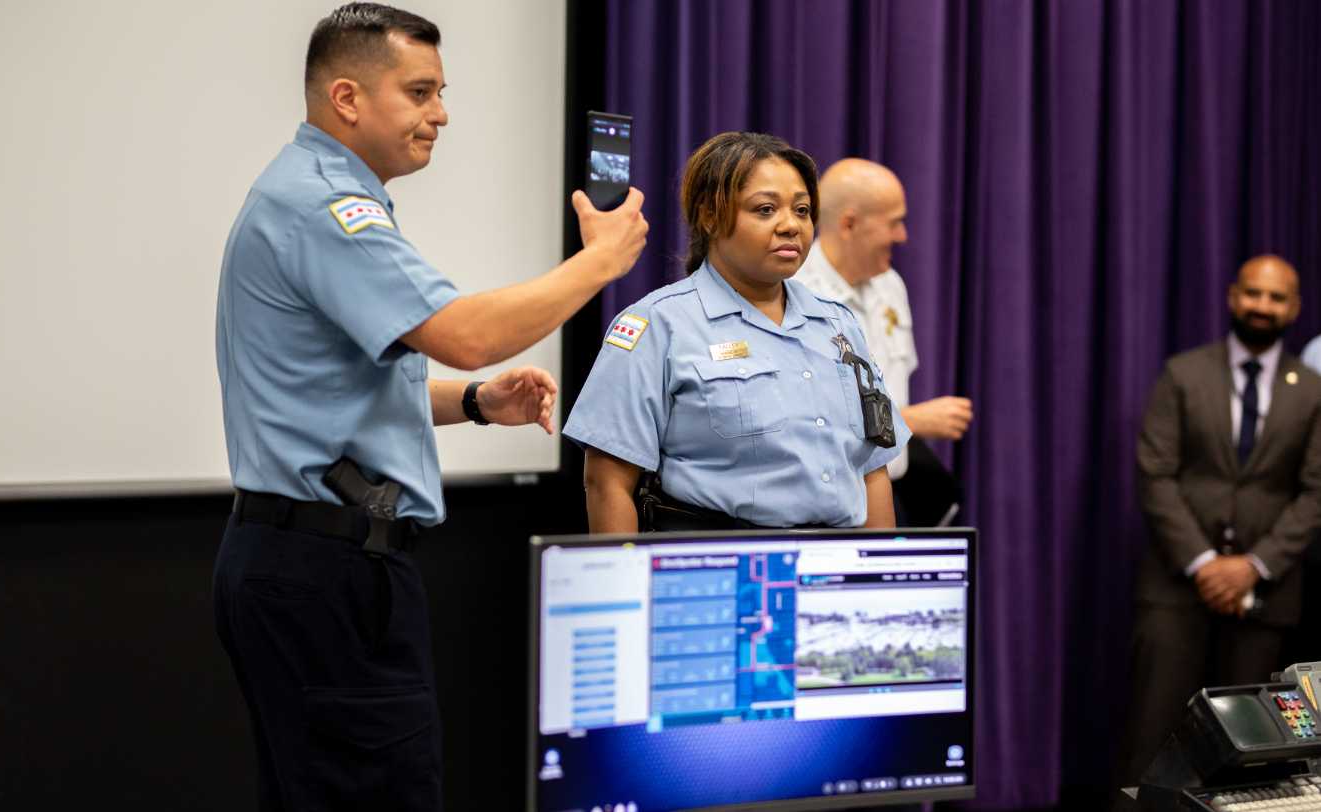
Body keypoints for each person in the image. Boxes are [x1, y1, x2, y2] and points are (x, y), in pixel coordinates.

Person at [211, 5, 648, 810]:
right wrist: (599, 262)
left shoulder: (323, 193)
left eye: (440, 92)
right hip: (326, 567)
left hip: (309, 558)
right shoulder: (325, 208)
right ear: (346, 98)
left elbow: (343, 387)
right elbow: (466, 335)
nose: (441, 114)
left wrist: (480, 404)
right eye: (419, 92)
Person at [565, 132, 910, 533]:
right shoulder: (657, 324)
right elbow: (607, 483)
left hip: (833, 568)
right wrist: (624, 587)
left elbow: (872, 470)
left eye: (802, 210)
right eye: (765, 209)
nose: (790, 225)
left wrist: (877, 575)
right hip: (719, 567)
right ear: (710, 217)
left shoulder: (839, 324)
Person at [1116, 254, 1321, 785]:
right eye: (1253, 293)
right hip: (1176, 589)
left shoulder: (1314, 388)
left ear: (1294, 307)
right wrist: (1207, 564)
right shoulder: (1184, 372)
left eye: (1276, 298)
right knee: (1151, 745)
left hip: (1267, 598)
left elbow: (1316, 492)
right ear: (1233, 296)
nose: (1262, 306)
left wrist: (1253, 566)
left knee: (1255, 762)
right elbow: (1154, 473)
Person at [793, 159, 970, 525]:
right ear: (849, 225)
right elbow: (807, 420)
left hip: (889, 489)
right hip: (830, 504)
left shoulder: (889, 286)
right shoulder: (795, 296)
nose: (902, 236)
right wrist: (911, 420)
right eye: (893, 223)